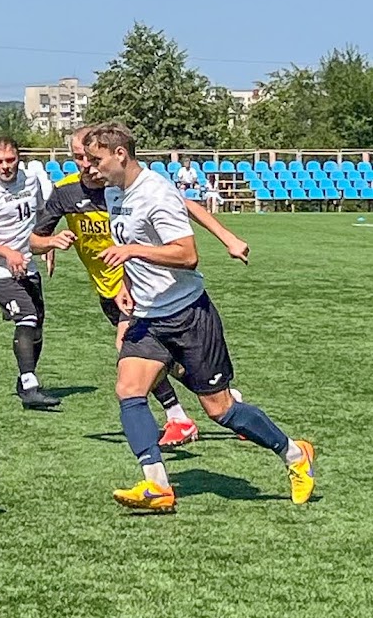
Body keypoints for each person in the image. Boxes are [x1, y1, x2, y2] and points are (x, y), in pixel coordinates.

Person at [83, 122, 314, 512]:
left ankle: (294, 454)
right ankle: (157, 486)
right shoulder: (113, 191)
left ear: (119, 154)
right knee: (129, 389)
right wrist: (125, 281)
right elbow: (128, 243)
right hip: (150, 317)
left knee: (220, 410)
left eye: (95, 158)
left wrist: (133, 252)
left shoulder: (155, 194)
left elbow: (187, 255)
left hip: (189, 316)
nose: (90, 167)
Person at [31, 126, 251, 448]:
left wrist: (228, 238)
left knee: (133, 357)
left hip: (144, 288)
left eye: (90, 157)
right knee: (159, 362)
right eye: (78, 158)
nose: (85, 165)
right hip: (110, 289)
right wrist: (50, 243)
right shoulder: (67, 193)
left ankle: (185, 414)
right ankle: (217, 402)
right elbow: (35, 240)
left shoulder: (123, 184)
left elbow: (186, 206)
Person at [0, 136, 61, 410]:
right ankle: (30, 387)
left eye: (10, 160)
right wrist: (7, 253)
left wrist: (48, 245)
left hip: (28, 266)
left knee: (37, 325)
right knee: (27, 316)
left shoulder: (31, 181)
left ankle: (25, 378)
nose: (5, 166)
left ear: (19, 158)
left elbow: (42, 217)